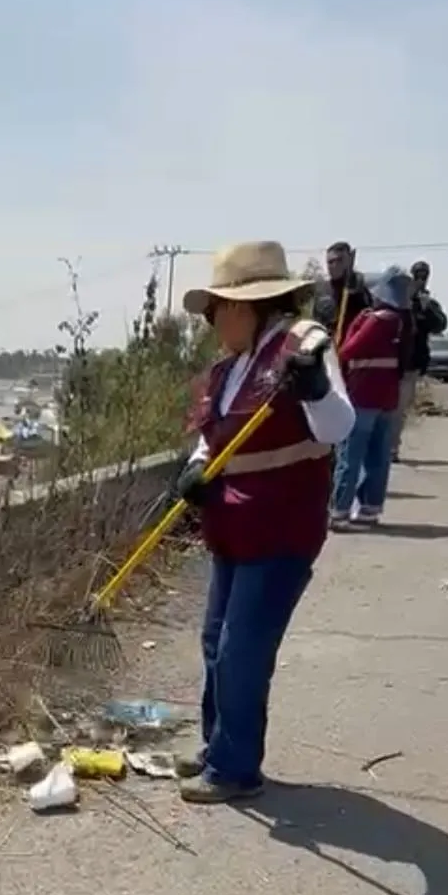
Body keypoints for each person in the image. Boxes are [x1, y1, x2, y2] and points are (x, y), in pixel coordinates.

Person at [171, 241, 356, 805]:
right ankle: (219, 745)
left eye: (214, 311)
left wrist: (315, 388)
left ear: (243, 306)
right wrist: (196, 468)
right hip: (231, 528)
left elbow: (338, 426)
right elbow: (214, 437)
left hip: (281, 528)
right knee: (214, 641)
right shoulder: (229, 368)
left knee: (242, 649)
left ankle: (236, 769)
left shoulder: (303, 347)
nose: (211, 323)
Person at [331, 267, 411, 527]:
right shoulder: (402, 321)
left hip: (364, 394)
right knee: (378, 456)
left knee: (351, 455)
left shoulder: (377, 321)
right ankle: (370, 507)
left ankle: (340, 509)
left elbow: (348, 350)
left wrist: (356, 324)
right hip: (387, 396)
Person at [391, 259, 448, 460]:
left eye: (424, 276)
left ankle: (392, 448)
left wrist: (427, 309)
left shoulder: (427, 303)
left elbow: (440, 325)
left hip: (412, 364)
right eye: (418, 275)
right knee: (388, 408)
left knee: (400, 408)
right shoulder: (399, 299)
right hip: (392, 361)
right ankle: (387, 447)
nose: (421, 280)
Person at [313, 241, 371, 340]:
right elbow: (316, 321)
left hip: (353, 343)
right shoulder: (322, 290)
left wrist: (350, 284)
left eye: (339, 260)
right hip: (328, 343)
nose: (334, 265)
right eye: (330, 262)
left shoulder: (360, 285)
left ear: (349, 261)